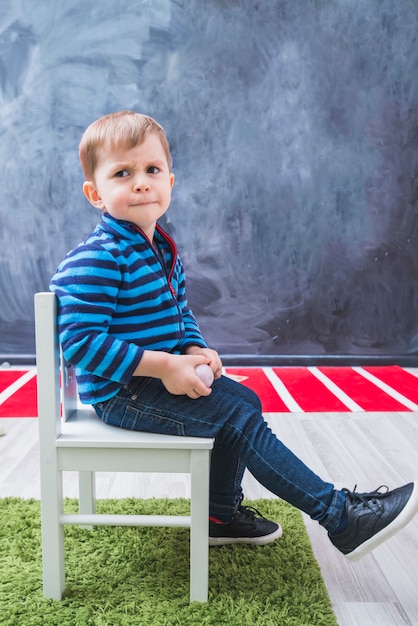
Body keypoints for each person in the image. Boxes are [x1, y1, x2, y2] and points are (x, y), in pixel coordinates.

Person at [50, 110, 417, 559]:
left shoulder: (160, 247)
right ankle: (340, 516)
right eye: (122, 173)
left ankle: (219, 515)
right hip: (121, 394)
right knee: (236, 419)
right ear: (95, 193)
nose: (141, 182)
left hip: (153, 381)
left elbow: (178, 311)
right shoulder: (98, 257)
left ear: (170, 181)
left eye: (152, 170)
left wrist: (192, 347)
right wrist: (164, 366)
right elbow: (80, 342)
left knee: (244, 402)